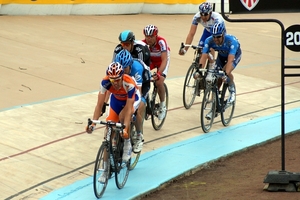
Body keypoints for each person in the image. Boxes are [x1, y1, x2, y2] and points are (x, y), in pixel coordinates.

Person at [86, 62, 141, 183]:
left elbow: (128, 108)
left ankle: (127, 143)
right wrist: (93, 124)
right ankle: (106, 171)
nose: (115, 83)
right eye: (112, 80)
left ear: (122, 77)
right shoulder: (105, 82)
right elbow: (99, 105)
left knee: (123, 117)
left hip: (131, 99)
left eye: (117, 80)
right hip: (116, 100)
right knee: (108, 132)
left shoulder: (129, 83)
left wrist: (125, 129)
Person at [114, 49, 151, 153]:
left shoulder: (136, 69)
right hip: (129, 86)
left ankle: (139, 135)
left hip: (142, 85)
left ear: (130, 65)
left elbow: (137, 94)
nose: (123, 70)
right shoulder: (117, 69)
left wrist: (131, 110)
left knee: (137, 109)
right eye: (121, 67)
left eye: (125, 68)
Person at [199, 22, 241, 107]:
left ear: (223, 35)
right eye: (214, 36)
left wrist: (225, 74)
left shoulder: (231, 42)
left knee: (225, 72)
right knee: (218, 77)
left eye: (218, 36)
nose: (216, 39)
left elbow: (230, 60)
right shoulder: (209, 40)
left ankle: (232, 90)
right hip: (221, 56)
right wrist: (199, 71)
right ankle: (215, 99)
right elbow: (204, 56)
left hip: (234, 55)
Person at [142, 24, 170, 120]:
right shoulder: (143, 43)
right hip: (152, 61)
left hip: (162, 60)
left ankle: (162, 106)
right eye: (147, 37)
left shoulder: (161, 42)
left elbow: (165, 60)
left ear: (156, 36)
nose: (148, 39)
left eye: (151, 37)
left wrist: (159, 74)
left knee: (159, 81)